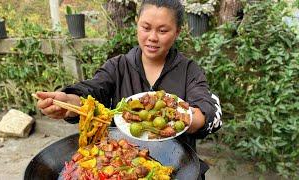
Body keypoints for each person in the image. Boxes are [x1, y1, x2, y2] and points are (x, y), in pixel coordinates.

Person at [36, 0, 222, 179]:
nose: (152, 37)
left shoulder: (189, 70)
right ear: (136, 24)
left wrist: (182, 118)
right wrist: (70, 101)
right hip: (124, 165)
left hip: (176, 166)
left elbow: (207, 110)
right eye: (146, 27)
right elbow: (94, 89)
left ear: (177, 32)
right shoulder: (118, 66)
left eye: (163, 30)